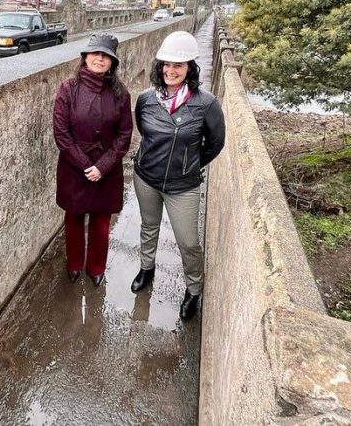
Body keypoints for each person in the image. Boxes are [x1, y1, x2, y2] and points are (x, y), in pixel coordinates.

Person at [130, 31, 225, 320]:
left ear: (190, 69)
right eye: (166, 65)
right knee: (149, 227)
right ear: (159, 66)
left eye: (178, 66)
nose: (170, 71)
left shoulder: (205, 104)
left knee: (188, 242)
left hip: (183, 186)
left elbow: (216, 142)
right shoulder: (146, 99)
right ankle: (147, 269)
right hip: (146, 177)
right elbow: (144, 133)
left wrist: (191, 164)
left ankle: (193, 290)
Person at [53, 33, 133, 286]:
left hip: (107, 169)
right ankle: (74, 264)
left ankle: (96, 268)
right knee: (74, 218)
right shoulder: (68, 88)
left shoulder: (120, 93)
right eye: (95, 53)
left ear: (112, 62)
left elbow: (124, 134)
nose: (100, 58)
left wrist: (103, 166)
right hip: (74, 167)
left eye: (106, 55)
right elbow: (61, 133)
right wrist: (87, 165)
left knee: (100, 223)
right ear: (85, 57)